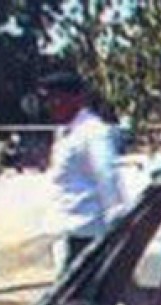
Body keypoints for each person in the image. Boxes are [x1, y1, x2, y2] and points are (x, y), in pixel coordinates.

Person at [38, 70, 125, 271]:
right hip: (67, 230)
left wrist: (115, 231)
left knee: (70, 299)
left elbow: (107, 178)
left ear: (77, 98)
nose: (52, 105)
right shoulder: (66, 132)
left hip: (85, 234)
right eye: (49, 99)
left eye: (58, 99)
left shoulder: (93, 132)